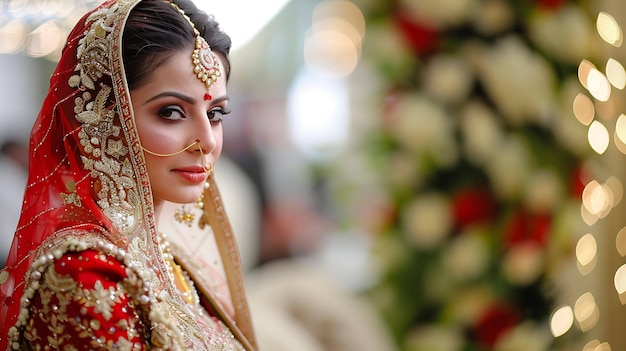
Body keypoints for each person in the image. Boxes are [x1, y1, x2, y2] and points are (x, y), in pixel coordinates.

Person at [0, 0, 257, 350]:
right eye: (171, 112)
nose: (207, 141)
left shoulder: (172, 258)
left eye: (215, 114)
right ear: (105, 118)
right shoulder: (84, 275)